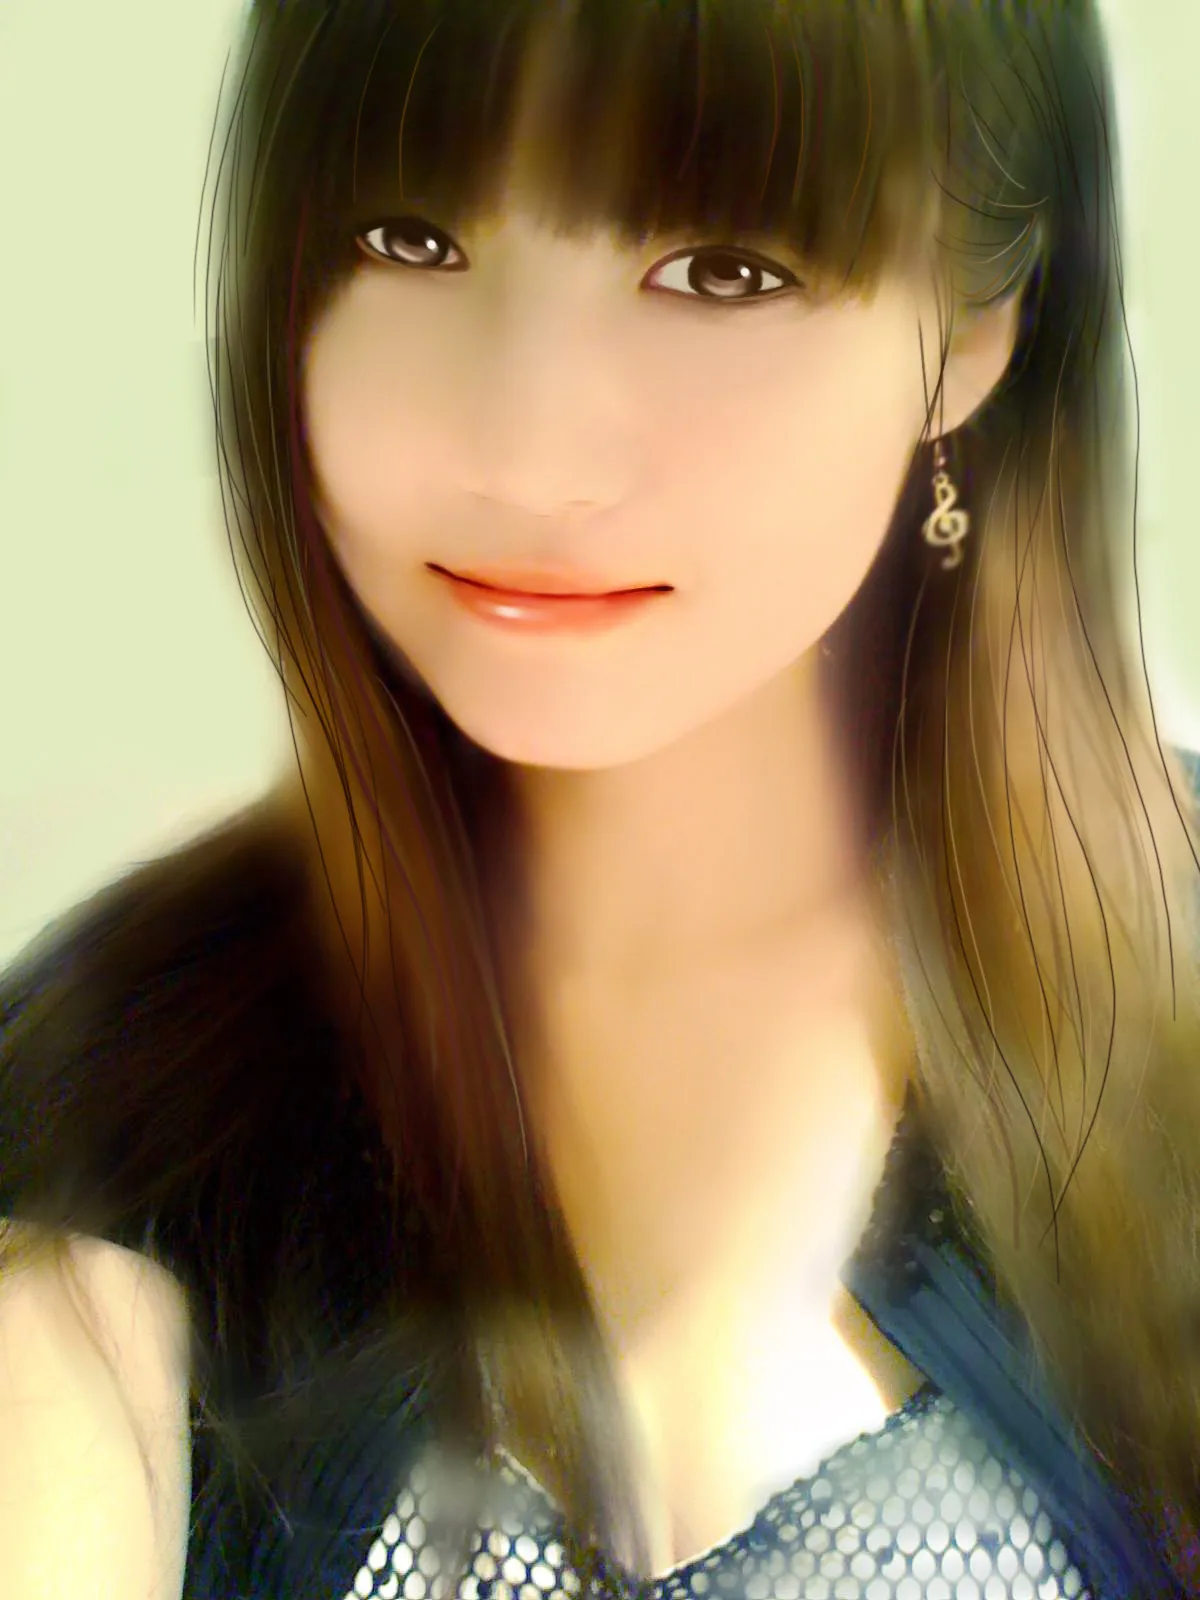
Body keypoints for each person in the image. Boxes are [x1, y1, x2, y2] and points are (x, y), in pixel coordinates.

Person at [2, 1, 1199, 1596]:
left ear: (974, 335)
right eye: (411, 241)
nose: (529, 455)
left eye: (722, 272)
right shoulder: (99, 1156)